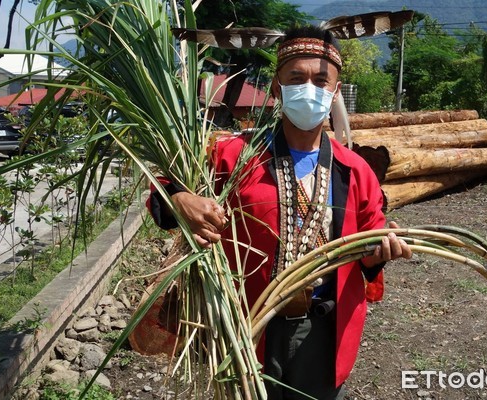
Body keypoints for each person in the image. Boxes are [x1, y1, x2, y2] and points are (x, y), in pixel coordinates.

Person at [148, 25, 412, 400]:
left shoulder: (355, 171)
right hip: (245, 325)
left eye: (322, 80)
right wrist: (180, 199)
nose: (311, 89)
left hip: (326, 331)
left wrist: (378, 253)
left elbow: (369, 249)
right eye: (297, 78)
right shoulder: (233, 155)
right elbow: (163, 186)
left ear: (335, 91)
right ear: (277, 87)